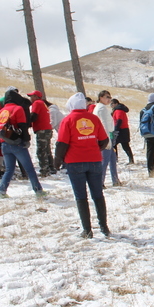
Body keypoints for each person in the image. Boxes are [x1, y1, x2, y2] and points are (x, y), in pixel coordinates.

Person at [55, 92, 111, 239]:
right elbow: (104, 140)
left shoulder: (68, 120)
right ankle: (104, 227)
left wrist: (58, 160)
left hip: (75, 162)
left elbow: (62, 143)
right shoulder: (93, 118)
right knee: (98, 195)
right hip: (94, 160)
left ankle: (87, 230)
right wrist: (93, 149)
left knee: (81, 197)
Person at [0, 89, 45, 198]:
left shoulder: (0, 112)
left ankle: (1, 191)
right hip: (16, 143)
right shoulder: (18, 109)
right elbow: (23, 126)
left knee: (9, 169)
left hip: (4, 144)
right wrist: (26, 140)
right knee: (29, 168)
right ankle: (38, 191)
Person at [94, 90, 121, 187]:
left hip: (109, 136)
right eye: (107, 97)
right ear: (101, 97)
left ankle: (115, 180)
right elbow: (104, 125)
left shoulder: (103, 108)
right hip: (105, 138)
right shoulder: (101, 109)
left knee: (112, 159)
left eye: (110, 97)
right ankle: (100, 182)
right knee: (104, 162)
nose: (109, 99)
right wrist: (107, 141)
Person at [26, 90, 55, 177]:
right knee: (47, 149)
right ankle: (51, 167)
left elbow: (34, 116)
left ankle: (44, 170)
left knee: (41, 150)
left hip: (41, 129)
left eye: (31, 96)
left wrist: (26, 122)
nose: (30, 98)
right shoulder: (43, 104)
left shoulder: (37, 103)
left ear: (36, 97)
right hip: (47, 129)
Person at [110, 98, 134, 164]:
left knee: (122, 145)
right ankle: (129, 159)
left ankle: (115, 159)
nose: (111, 105)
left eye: (112, 104)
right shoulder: (117, 110)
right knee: (123, 145)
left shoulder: (118, 110)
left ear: (116, 104)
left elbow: (119, 121)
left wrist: (116, 130)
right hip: (123, 129)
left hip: (121, 130)